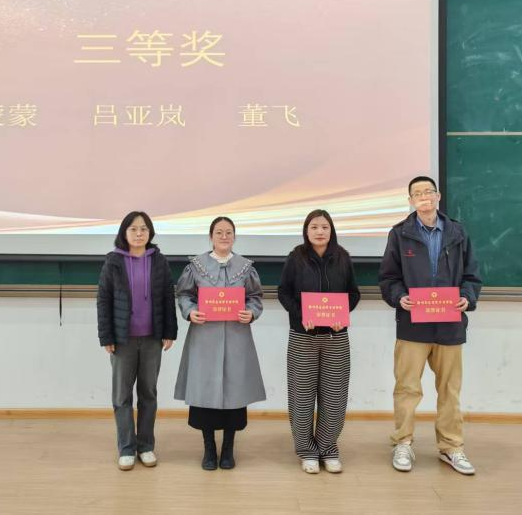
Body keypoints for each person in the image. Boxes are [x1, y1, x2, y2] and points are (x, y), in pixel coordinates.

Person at [378, 176, 482, 475]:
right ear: (410, 201)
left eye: (428, 191)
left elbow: (472, 276)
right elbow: (388, 278)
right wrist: (399, 297)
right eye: (417, 193)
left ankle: (451, 447)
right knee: (407, 388)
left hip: (450, 324)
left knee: (450, 390)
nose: (424, 196)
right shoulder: (400, 233)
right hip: (413, 325)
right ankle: (403, 443)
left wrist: (467, 297)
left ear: (438, 196)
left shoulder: (458, 232)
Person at [174, 216, 266, 470]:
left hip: (237, 339)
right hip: (204, 339)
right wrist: (190, 311)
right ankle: (208, 449)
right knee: (204, 395)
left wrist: (251, 313)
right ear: (211, 236)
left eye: (228, 232)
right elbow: (184, 294)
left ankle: (228, 448)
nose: (224, 237)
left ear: (234, 236)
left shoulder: (245, 267)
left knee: (234, 395)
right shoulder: (196, 266)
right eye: (219, 232)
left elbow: (255, 297)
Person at [277, 209, 360, 474]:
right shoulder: (296, 257)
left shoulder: (343, 257)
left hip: (336, 337)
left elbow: (353, 294)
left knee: (334, 395)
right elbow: (284, 293)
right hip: (303, 337)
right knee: (301, 396)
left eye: (325, 227)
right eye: (314, 227)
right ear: (306, 231)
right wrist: (302, 316)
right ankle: (306, 450)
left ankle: (328, 447)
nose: (320, 232)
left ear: (331, 230)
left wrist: (342, 315)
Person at [96, 211, 177, 471]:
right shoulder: (113, 261)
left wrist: (169, 331)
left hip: (152, 339)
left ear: (150, 232)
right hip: (122, 340)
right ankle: (126, 448)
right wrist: (106, 336)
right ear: (124, 233)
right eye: (133, 229)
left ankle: (146, 446)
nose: (139, 233)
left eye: (144, 229)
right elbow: (104, 300)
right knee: (122, 396)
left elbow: (168, 297)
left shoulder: (159, 261)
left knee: (148, 394)